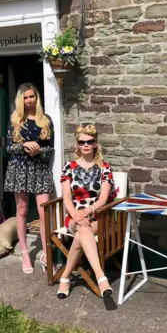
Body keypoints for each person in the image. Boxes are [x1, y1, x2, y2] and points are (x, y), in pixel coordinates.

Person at [56, 124, 116, 300]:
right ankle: (100, 277)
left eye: (90, 141)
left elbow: (103, 199)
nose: (86, 145)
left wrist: (88, 211)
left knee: (82, 233)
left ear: (96, 143)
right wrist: (76, 214)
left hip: (97, 215)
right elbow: (67, 197)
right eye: (82, 142)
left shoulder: (105, 167)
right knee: (82, 228)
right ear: (77, 145)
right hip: (74, 216)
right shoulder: (69, 166)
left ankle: (65, 276)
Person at [4, 83, 55, 274]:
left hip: (40, 168)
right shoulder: (15, 119)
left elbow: (51, 149)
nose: (29, 100)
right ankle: (25, 253)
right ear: (21, 100)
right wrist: (26, 145)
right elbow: (8, 148)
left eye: (32, 96)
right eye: (25, 97)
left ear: (36, 98)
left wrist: (39, 150)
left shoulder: (46, 120)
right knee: (23, 210)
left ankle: (46, 253)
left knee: (44, 212)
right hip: (20, 169)